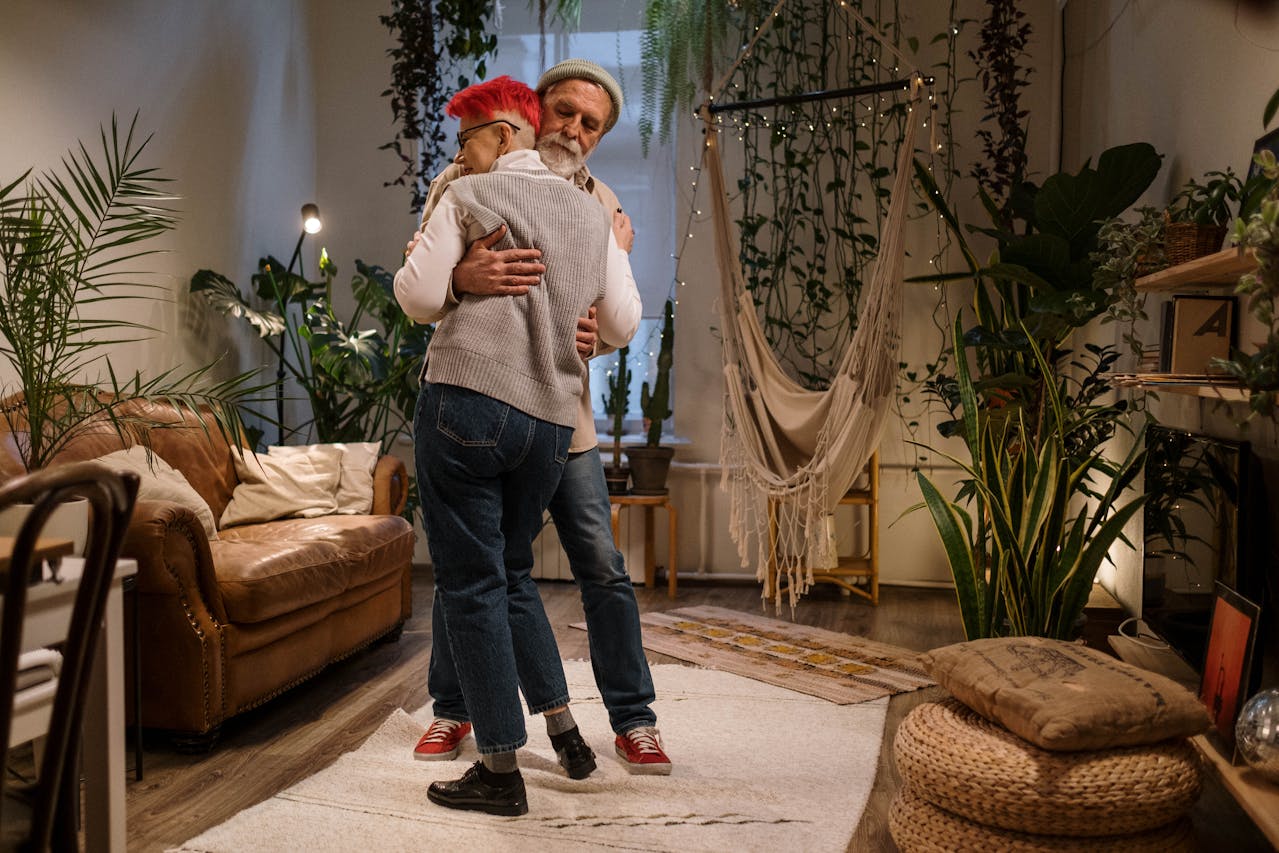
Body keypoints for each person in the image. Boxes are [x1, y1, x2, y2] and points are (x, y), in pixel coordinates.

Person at [408, 59, 673, 776]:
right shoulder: (462, 175)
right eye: (564, 112)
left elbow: (618, 318)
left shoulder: (602, 202)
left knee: (599, 567)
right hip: (488, 396)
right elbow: (429, 277)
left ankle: (633, 717)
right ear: (533, 110)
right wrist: (466, 278)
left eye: (590, 124)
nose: (574, 131)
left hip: (565, 419)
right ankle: (451, 706)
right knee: (476, 558)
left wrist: (600, 333)